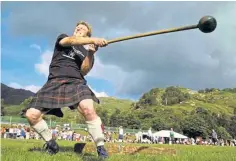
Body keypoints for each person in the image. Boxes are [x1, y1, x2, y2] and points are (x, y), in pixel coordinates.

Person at [21, 21, 109, 158]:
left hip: (76, 82)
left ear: (87, 33)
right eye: (77, 27)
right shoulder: (64, 38)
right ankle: (51, 143)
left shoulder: (85, 51)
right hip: (55, 81)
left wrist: (91, 53)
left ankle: (101, 149)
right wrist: (94, 39)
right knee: (31, 115)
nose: (78, 28)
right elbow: (71, 40)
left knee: (88, 108)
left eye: (82, 28)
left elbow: (84, 70)